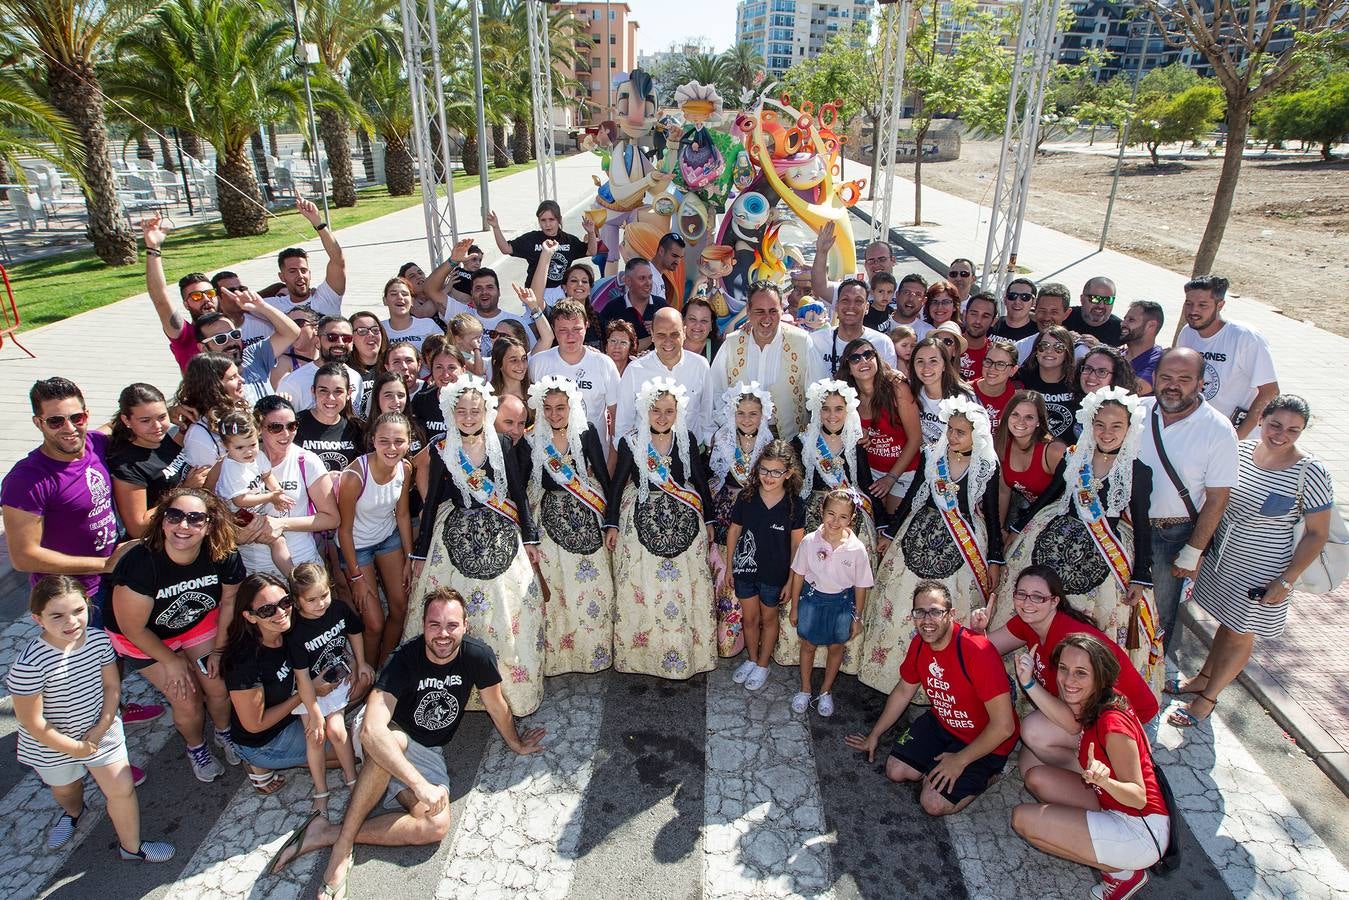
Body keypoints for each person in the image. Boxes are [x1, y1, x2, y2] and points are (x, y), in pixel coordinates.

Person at [294, 589, 545, 898]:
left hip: (427, 749)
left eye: (451, 625)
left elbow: (496, 705)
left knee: (434, 826)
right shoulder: (404, 659)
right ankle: (342, 848)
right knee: (394, 740)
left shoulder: (477, 656)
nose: (443, 634)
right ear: (423, 625)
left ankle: (328, 833)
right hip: (389, 733)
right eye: (434, 625)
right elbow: (373, 730)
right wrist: (419, 783)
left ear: (466, 626)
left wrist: (516, 743)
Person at [1171, 395, 1332, 728]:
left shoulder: (1310, 471)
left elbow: (1317, 534)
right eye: (1275, 424)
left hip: (1265, 569)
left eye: (1293, 430)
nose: (1281, 434)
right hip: (1224, 561)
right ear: (1261, 419)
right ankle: (1202, 678)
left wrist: (1286, 581)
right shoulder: (1240, 451)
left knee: (1241, 633)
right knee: (1227, 626)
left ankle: (1208, 699)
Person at [996, 389, 1160, 690]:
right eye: (1100, 425)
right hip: (1054, 539)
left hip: (1105, 551)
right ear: (1090, 423)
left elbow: (1142, 523)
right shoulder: (1074, 457)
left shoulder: (1137, 471)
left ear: (1129, 428)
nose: (1107, 433)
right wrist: (1017, 528)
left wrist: (1141, 574)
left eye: (1116, 426)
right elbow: (1049, 495)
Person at [8, 576, 174, 863]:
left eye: (78, 611)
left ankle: (131, 848)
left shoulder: (98, 639)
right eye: (57, 615)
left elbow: (112, 686)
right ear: (38, 619)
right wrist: (75, 749)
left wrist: (100, 728)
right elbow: (33, 722)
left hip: (102, 730)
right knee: (67, 789)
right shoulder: (28, 665)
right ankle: (74, 813)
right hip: (51, 745)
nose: (71, 622)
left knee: (122, 790)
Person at [407, 377, 544, 715]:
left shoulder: (501, 443)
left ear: (486, 411)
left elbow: (516, 493)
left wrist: (529, 538)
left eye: (475, 411)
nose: (469, 417)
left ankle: (508, 687)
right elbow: (434, 500)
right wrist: (420, 553)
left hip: (499, 529)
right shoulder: (442, 448)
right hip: (453, 530)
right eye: (462, 411)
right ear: (452, 413)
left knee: (507, 603)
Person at [860, 399, 1005, 695]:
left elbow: (992, 515)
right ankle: (890, 679)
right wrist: (890, 531)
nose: (952, 436)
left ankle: (939, 685)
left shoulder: (987, 465)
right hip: (920, 531)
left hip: (963, 541)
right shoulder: (931, 455)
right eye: (950, 429)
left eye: (960, 432)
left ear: (975, 435)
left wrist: (995, 559)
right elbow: (914, 496)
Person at [1010, 633, 1169, 900]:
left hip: (1139, 830)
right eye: (1063, 669)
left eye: (1081, 673)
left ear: (1099, 676)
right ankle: (1096, 841)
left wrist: (1106, 781)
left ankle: (1122, 873)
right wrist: (1028, 681)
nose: (1068, 680)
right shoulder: (1097, 700)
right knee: (1037, 777)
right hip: (1113, 804)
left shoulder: (1112, 724)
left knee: (1022, 820)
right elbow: (1067, 721)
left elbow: (1138, 797)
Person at [105, 488, 245, 782]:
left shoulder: (222, 552)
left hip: (195, 622)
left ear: (209, 526)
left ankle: (224, 732)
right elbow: (132, 627)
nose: (183, 526)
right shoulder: (142, 564)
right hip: (143, 636)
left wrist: (219, 650)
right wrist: (171, 661)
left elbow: (231, 601)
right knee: (186, 697)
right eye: (175, 516)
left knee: (217, 683)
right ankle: (197, 747)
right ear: (162, 520)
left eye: (195, 519)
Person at [846, 581, 1018, 816]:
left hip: (986, 738)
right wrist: (874, 735)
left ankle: (992, 774)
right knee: (896, 771)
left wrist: (960, 760)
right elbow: (903, 691)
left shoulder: (978, 651)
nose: (927, 620)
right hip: (944, 722)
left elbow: (1004, 726)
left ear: (951, 614)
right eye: (920, 612)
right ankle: (937, 766)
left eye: (936, 611)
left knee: (933, 803)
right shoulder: (919, 643)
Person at [971, 567, 1159, 777]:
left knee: (1034, 732)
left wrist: (1029, 684)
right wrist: (979, 632)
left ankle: (1106, 778)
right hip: (1086, 713)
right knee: (1030, 768)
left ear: (1055, 601)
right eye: (1021, 594)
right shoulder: (1030, 622)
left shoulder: (1068, 642)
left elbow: (1071, 724)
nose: (1027, 603)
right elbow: (983, 651)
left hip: (1129, 725)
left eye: (1038, 597)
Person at [604, 378, 717, 680]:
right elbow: (617, 484)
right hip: (641, 517)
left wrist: (709, 519)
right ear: (646, 410)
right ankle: (643, 653)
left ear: (677, 412)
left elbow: (701, 481)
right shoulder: (631, 441)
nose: (663, 417)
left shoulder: (688, 439)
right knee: (645, 585)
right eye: (656, 410)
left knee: (681, 587)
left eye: (669, 411)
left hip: (684, 520)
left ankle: (685, 649)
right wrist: (612, 522)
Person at [4, 378, 134, 626]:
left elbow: (125, 421)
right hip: (73, 597)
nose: (69, 428)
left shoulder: (94, 444)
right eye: (56, 421)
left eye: (77, 418)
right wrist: (105, 564)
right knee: (89, 661)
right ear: (38, 423)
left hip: (114, 580)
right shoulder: (25, 480)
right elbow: (23, 557)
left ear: (86, 415)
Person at [1138, 348, 1237, 656]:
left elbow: (1218, 499)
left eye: (1184, 379)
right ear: (1154, 378)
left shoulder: (1218, 429)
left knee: (1160, 615)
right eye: (1166, 377)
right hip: (1126, 528)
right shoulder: (1134, 410)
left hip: (1173, 537)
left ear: (1200, 383)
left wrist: (1194, 550)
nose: (1173, 385)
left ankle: (1151, 686)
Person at [781, 380, 880, 674]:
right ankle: (800, 645)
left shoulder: (855, 442)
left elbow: (862, 481)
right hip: (814, 517)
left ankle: (841, 641)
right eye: (825, 409)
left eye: (838, 409)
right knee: (808, 576)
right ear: (817, 410)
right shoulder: (802, 441)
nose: (832, 415)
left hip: (848, 518)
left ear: (848, 411)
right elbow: (795, 485)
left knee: (844, 579)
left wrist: (885, 526)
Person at [525, 376, 615, 675]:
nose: (554, 414)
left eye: (560, 408)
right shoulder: (531, 437)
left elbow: (602, 473)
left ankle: (592, 651)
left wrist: (611, 519)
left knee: (591, 584)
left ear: (571, 406)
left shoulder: (585, 432)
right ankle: (559, 653)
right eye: (548, 408)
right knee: (556, 584)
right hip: (547, 510)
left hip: (585, 509)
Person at [223, 574, 330, 798]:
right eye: (267, 610)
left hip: (293, 714)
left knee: (352, 706)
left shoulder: (288, 629)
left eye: (285, 602)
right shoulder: (245, 661)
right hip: (264, 740)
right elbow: (255, 724)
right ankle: (258, 763)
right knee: (350, 752)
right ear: (250, 617)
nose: (281, 613)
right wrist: (306, 692)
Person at [723, 440, 805, 693]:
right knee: (750, 618)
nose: (769, 477)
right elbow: (734, 532)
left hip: (775, 575)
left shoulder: (795, 505)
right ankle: (750, 658)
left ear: (788, 473)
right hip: (745, 570)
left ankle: (762, 664)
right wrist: (729, 567)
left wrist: (791, 581)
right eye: (764, 470)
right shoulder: (746, 498)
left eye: (776, 472)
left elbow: (796, 547)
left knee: (769, 619)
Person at [287, 563, 369, 813]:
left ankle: (352, 777)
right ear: (297, 600)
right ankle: (320, 789)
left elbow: (354, 631)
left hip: (335, 680)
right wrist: (313, 713)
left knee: (336, 730)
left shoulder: (339, 608)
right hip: (309, 689)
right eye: (311, 600)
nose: (321, 603)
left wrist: (360, 661)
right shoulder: (295, 631)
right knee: (315, 737)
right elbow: (301, 678)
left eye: (324, 595)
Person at [785, 488, 872, 716]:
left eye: (843, 516)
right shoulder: (809, 541)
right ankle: (805, 689)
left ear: (851, 519)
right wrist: (795, 607)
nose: (835, 521)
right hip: (812, 601)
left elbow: (861, 585)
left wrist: (857, 616)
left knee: (836, 648)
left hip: (842, 604)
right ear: (821, 511)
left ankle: (825, 690)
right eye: (831, 514)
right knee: (808, 645)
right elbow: (798, 575)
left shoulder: (857, 549)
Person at [339, 414, 414, 668]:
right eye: (384, 441)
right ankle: (366, 674)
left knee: (400, 606)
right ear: (372, 441)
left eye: (398, 441)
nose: (391, 448)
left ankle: (385, 668)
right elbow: (344, 530)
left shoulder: (405, 468)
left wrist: (409, 558)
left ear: (408, 443)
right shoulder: (354, 476)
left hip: (388, 539)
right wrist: (356, 577)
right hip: (356, 547)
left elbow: (402, 514)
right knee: (373, 623)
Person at [142, 215, 264, 371]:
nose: (206, 299)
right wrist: (153, 248)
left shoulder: (231, 330)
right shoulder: (184, 335)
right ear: (186, 304)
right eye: (197, 296)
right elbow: (160, 298)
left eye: (210, 293)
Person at [708, 383, 776, 657]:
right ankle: (728, 637)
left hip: (760, 512)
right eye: (741, 414)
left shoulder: (771, 443)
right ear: (732, 414)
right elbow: (715, 476)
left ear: (763, 415)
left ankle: (760, 636)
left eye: (753, 414)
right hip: (728, 511)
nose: (747, 420)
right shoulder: (722, 439)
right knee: (728, 568)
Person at [244, 396, 343, 577]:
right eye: (276, 427)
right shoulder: (237, 461)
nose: (286, 433)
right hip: (252, 569)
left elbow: (332, 518)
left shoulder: (307, 460)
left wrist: (281, 524)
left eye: (292, 426)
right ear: (259, 428)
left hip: (301, 564)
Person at [1175, 274, 1278, 439]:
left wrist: (1237, 437)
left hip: (1236, 438)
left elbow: (1270, 392)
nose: (1193, 311)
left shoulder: (1245, 337)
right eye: (1189, 304)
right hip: (1196, 432)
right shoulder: (1188, 333)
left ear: (1220, 305)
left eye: (1203, 305)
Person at [711, 281, 813, 440]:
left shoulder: (802, 341)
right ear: (748, 311)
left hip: (789, 441)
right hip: (741, 440)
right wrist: (729, 427)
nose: (767, 318)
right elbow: (715, 391)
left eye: (773, 311)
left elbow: (818, 392)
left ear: (781, 310)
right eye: (760, 311)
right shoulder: (731, 344)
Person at [841, 337, 922, 513]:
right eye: (855, 358)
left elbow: (916, 439)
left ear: (877, 358)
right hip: (869, 473)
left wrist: (891, 478)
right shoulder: (846, 396)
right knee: (873, 524)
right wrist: (854, 432)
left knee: (893, 522)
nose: (863, 361)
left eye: (868, 355)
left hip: (903, 472)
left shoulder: (897, 388)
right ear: (849, 368)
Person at [108, 383, 199, 540]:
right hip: (160, 545)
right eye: (145, 420)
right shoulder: (127, 466)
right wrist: (185, 491)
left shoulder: (166, 436)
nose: (157, 426)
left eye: (162, 417)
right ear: (126, 420)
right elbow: (137, 528)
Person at [614, 307, 714, 447]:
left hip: (690, 457)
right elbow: (623, 426)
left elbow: (707, 417)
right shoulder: (635, 370)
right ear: (652, 335)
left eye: (674, 334)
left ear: (684, 333)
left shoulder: (700, 366)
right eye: (661, 335)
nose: (668, 341)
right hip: (645, 460)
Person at [213, 411, 296, 577]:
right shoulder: (231, 467)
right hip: (235, 516)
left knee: (278, 538)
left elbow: (267, 475)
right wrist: (271, 497)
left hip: (253, 510)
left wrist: (277, 491)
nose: (248, 452)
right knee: (277, 540)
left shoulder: (258, 457)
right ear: (225, 446)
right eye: (239, 448)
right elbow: (240, 500)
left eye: (252, 445)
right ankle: (292, 576)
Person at [529, 299, 621, 445]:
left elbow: (617, 415)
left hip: (595, 459)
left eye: (576, 329)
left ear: (586, 325)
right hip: (552, 457)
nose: (570, 336)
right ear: (553, 329)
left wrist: (612, 460)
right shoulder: (538, 362)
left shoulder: (603, 363)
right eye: (563, 330)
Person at [996, 390, 1070, 543]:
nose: (1020, 422)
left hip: (1060, 519)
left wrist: (1018, 530)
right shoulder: (1002, 445)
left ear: (1039, 421)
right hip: (1028, 517)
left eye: (1029, 417)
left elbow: (1069, 496)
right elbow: (1003, 491)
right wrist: (1000, 531)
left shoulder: (1054, 451)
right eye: (1015, 414)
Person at [263, 198, 347, 317]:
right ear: (282, 277)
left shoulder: (327, 296)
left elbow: (337, 259)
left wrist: (317, 222)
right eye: (292, 271)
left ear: (310, 273)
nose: (300, 276)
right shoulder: (273, 307)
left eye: (303, 270)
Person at [488, 200, 596, 292]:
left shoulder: (569, 240)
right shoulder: (531, 239)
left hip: (561, 291)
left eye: (551, 220)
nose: (547, 224)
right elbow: (506, 248)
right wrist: (496, 227)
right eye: (543, 220)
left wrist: (591, 232)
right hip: (536, 291)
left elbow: (591, 251)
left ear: (559, 219)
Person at [808, 278, 898, 380]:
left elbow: (889, 383)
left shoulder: (882, 343)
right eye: (845, 300)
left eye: (858, 301)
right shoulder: (815, 341)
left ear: (867, 307)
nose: (851, 306)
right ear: (837, 306)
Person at [277, 316, 363, 413]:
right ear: (317, 342)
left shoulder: (356, 378)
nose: (340, 343)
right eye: (332, 337)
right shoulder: (293, 383)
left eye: (347, 338)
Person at [295, 362, 366, 473]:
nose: (331, 398)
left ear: (348, 394)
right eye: (323, 390)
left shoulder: (358, 429)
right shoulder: (295, 425)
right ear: (313, 391)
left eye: (338, 391)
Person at [909, 334, 974, 446]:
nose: (926, 367)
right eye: (920, 361)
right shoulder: (910, 392)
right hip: (921, 459)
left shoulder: (963, 398)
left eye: (933, 361)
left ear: (944, 365)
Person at [811, 223, 897, 305]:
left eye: (882, 259)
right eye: (871, 260)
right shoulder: (853, 291)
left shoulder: (905, 291)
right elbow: (820, 288)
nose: (877, 264)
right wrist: (821, 252)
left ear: (893, 260)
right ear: (865, 265)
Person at [1018, 326, 1079, 441]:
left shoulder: (1078, 382)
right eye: (1043, 346)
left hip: (1069, 452)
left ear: (1067, 353)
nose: (1049, 351)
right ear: (1036, 350)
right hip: (1030, 447)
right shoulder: (1021, 377)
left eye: (1059, 348)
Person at [599, 256, 666, 350]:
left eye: (650, 277)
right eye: (642, 278)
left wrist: (661, 328)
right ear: (628, 281)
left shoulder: (662, 307)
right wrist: (656, 334)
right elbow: (605, 345)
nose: (648, 283)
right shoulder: (612, 308)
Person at [1015, 284, 1074, 363]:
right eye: (1042, 311)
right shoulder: (1021, 348)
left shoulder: (1078, 351)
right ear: (1035, 309)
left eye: (1054, 312)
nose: (1046, 317)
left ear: (1067, 314)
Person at [379, 276, 440, 352]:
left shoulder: (428, 325)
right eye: (393, 294)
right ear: (385, 300)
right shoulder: (379, 329)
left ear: (412, 301)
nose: (400, 297)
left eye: (404, 294)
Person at [973, 337, 1021, 432]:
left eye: (1000, 364)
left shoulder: (1017, 400)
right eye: (988, 362)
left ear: (1013, 370)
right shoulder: (964, 392)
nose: (992, 368)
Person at [1119, 301, 1164, 395]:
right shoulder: (1119, 353)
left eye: (1131, 320)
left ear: (1151, 326)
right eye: (1124, 319)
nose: (1123, 323)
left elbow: (1133, 392)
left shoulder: (1160, 361)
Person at [1065, 277, 1124, 346]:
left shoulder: (1121, 331)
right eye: (1095, 298)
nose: (1101, 305)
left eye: (1108, 300)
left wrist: (1100, 347)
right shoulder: (1065, 317)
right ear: (1082, 299)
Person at [884, 274, 932, 341]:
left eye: (918, 294)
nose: (911, 298)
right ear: (897, 295)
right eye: (906, 292)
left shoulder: (928, 334)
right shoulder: (878, 324)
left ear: (924, 301)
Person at [992, 278, 1039, 342]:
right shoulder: (990, 325)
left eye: (1025, 297)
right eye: (1012, 296)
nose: (1017, 302)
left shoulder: (1038, 335)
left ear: (1034, 302)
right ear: (1005, 300)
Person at [682, 296, 722, 364]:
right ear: (683, 321)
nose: (698, 325)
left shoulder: (720, 351)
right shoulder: (670, 345)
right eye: (692, 319)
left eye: (704, 320)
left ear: (711, 325)